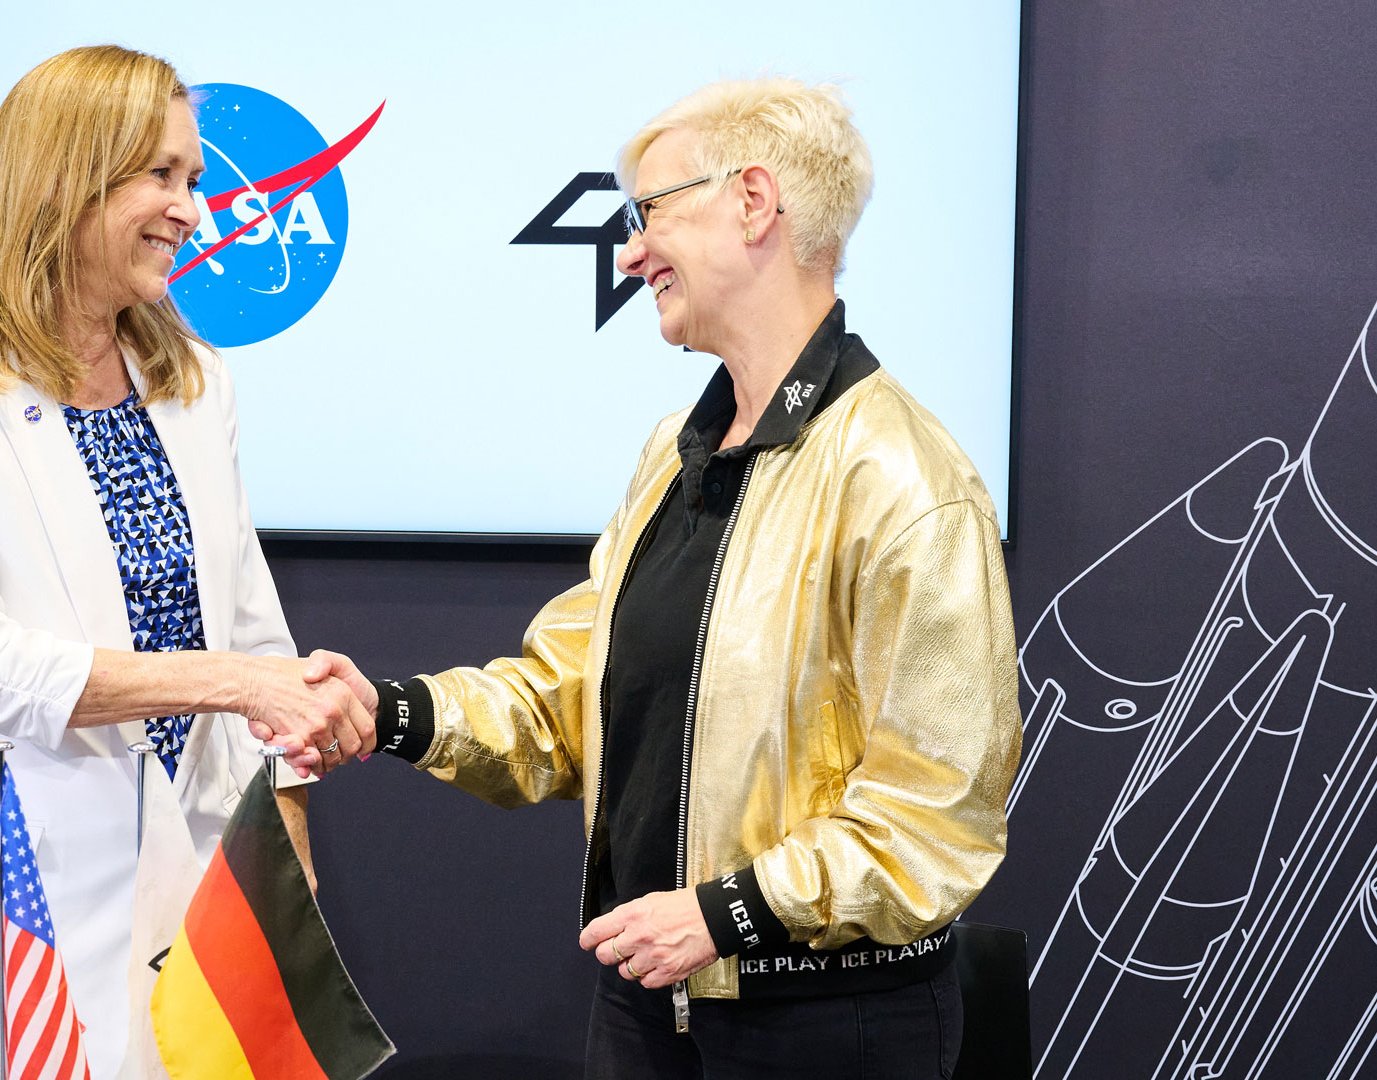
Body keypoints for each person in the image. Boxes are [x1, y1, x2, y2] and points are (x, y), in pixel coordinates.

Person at [310, 77, 1021, 1079]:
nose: (630, 251)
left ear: (754, 202)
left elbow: (935, 814)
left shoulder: (905, 479)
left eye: (650, 213)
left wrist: (726, 916)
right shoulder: (671, 453)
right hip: (646, 1011)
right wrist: (388, 713)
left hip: (825, 1030)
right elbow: (567, 702)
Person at [0, 46, 372, 1080]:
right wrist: (239, 683)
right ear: (63, 178)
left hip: (200, 907)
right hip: (9, 912)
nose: (192, 210)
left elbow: (256, 640)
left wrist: (288, 875)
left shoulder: (193, 380)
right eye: (161, 175)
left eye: (194, 178)